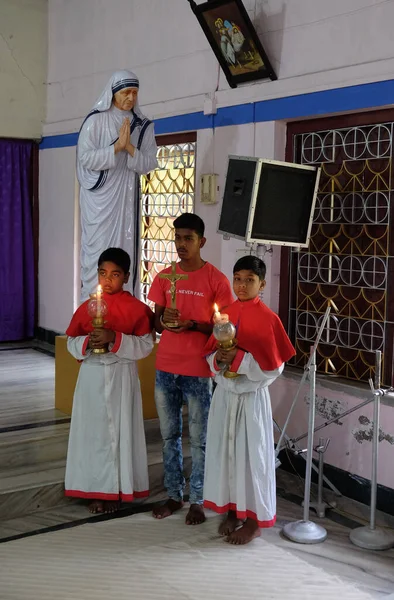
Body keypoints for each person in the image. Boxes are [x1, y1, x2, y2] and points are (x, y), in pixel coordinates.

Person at [148, 213, 234, 525]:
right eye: (178, 238)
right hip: (166, 367)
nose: (181, 244)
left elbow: (224, 328)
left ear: (202, 241)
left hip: (199, 370)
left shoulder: (216, 280)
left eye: (189, 238)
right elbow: (156, 322)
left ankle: (198, 498)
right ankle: (174, 495)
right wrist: (166, 321)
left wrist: (192, 324)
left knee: (200, 439)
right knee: (169, 435)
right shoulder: (164, 277)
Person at [203, 255, 295, 544]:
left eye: (250, 280)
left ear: (262, 284)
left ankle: (254, 520)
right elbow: (208, 356)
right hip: (225, 398)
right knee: (225, 454)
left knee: (252, 458)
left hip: (251, 400)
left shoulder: (269, 319)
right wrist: (217, 359)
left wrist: (240, 360)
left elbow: (274, 368)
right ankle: (232, 510)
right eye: (238, 279)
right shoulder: (224, 314)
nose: (242, 286)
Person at [65, 247, 154, 514]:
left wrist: (114, 339)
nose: (107, 280)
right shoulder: (87, 307)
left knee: (120, 433)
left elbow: (146, 345)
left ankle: (118, 488)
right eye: (103, 273)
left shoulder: (137, 309)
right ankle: (94, 488)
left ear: (126, 277)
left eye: (115, 274)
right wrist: (87, 343)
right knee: (93, 433)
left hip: (121, 375)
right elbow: (71, 342)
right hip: (92, 374)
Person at [77, 70, 158, 302]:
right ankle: (92, 307)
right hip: (99, 199)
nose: (130, 98)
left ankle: (122, 307)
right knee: (98, 249)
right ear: (112, 93)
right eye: (125, 92)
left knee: (124, 247)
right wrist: (115, 148)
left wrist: (129, 147)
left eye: (134, 93)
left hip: (125, 194)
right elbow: (85, 158)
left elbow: (150, 163)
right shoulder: (95, 121)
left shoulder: (143, 126)